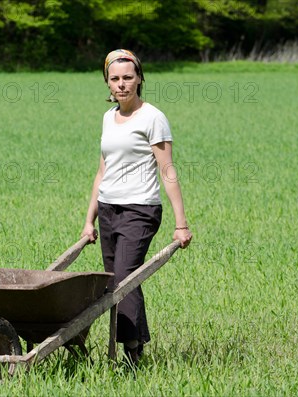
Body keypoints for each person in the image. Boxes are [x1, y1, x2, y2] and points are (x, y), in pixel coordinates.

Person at [81, 49, 192, 365]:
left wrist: (181, 223)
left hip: (139, 210)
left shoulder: (152, 117)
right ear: (107, 83)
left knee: (124, 279)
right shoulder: (108, 117)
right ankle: (131, 344)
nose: (121, 85)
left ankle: (132, 351)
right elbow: (103, 171)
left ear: (140, 78)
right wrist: (89, 220)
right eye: (114, 79)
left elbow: (167, 170)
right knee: (111, 281)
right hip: (108, 209)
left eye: (128, 78)